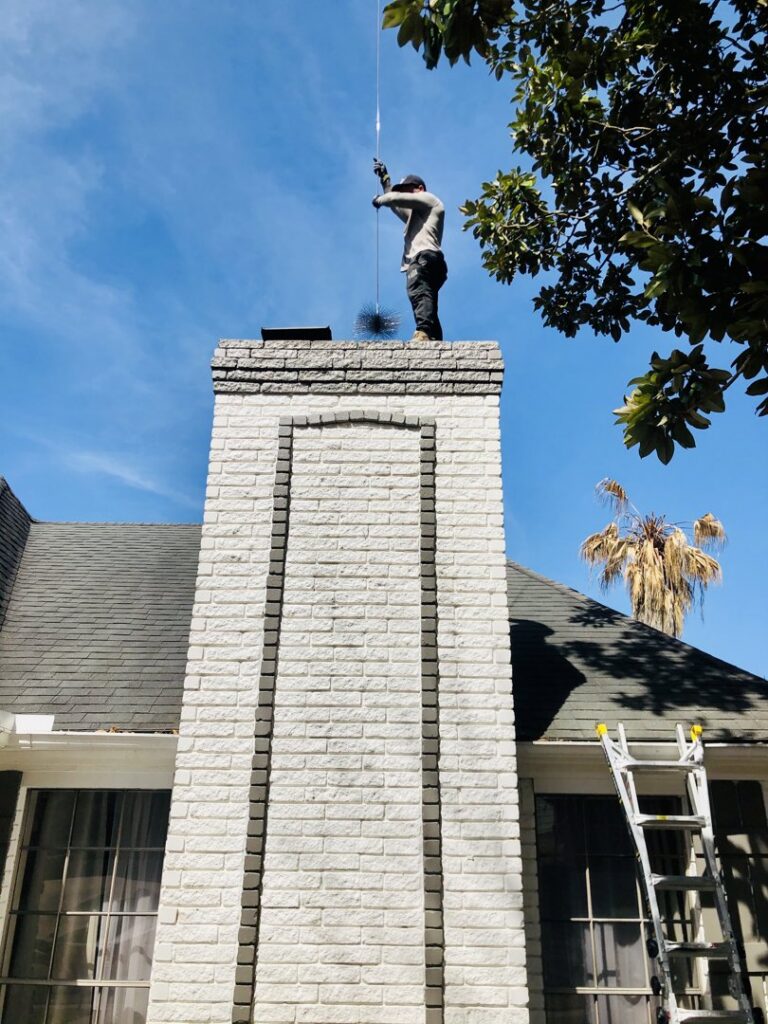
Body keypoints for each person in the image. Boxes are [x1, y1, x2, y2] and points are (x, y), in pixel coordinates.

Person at [372, 160, 448, 341]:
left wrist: (381, 199)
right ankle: (434, 338)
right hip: (431, 261)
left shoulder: (431, 200)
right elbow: (396, 204)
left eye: (407, 191)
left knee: (419, 291)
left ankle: (424, 332)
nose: (405, 195)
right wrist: (385, 180)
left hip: (425, 257)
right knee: (426, 296)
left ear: (419, 189)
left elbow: (394, 200)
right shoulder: (415, 215)